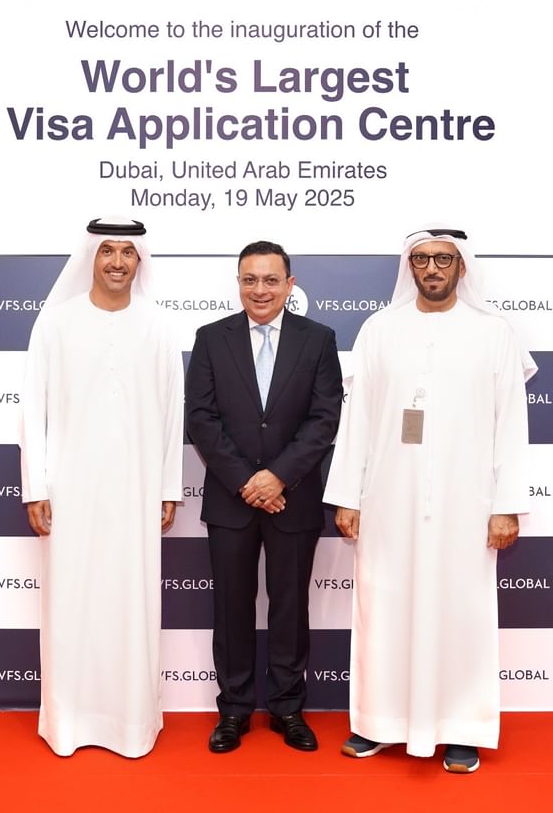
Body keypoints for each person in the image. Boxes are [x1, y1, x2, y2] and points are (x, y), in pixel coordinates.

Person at [323, 227, 536, 774]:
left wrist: (506, 504)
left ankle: (462, 728)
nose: (432, 269)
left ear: (462, 266)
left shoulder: (494, 333)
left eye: (443, 259)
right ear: (410, 266)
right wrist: (347, 496)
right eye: (421, 259)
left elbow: (511, 424)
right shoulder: (380, 329)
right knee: (383, 608)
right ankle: (377, 722)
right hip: (388, 502)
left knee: (461, 614)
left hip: (467, 506)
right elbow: (358, 419)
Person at [19, 217, 183, 758]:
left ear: (140, 261)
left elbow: (172, 415)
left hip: (137, 492)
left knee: (131, 603)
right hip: (70, 492)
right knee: (72, 604)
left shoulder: (158, 326)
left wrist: (168, 487)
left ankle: (131, 724)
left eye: (127, 252)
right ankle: (68, 723)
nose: (117, 261)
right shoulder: (56, 322)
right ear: (90, 256)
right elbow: (32, 409)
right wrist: (35, 486)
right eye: (107, 250)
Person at [185, 241, 343, 753]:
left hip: (293, 498)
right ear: (238, 283)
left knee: (290, 608)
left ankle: (287, 708)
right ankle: (233, 710)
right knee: (231, 607)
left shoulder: (318, 339)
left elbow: (325, 419)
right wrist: (246, 482)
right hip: (230, 500)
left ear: (289, 284)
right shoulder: (211, 338)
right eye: (250, 279)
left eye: (271, 280)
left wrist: (278, 477)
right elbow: (201, 418)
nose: (260, 290)